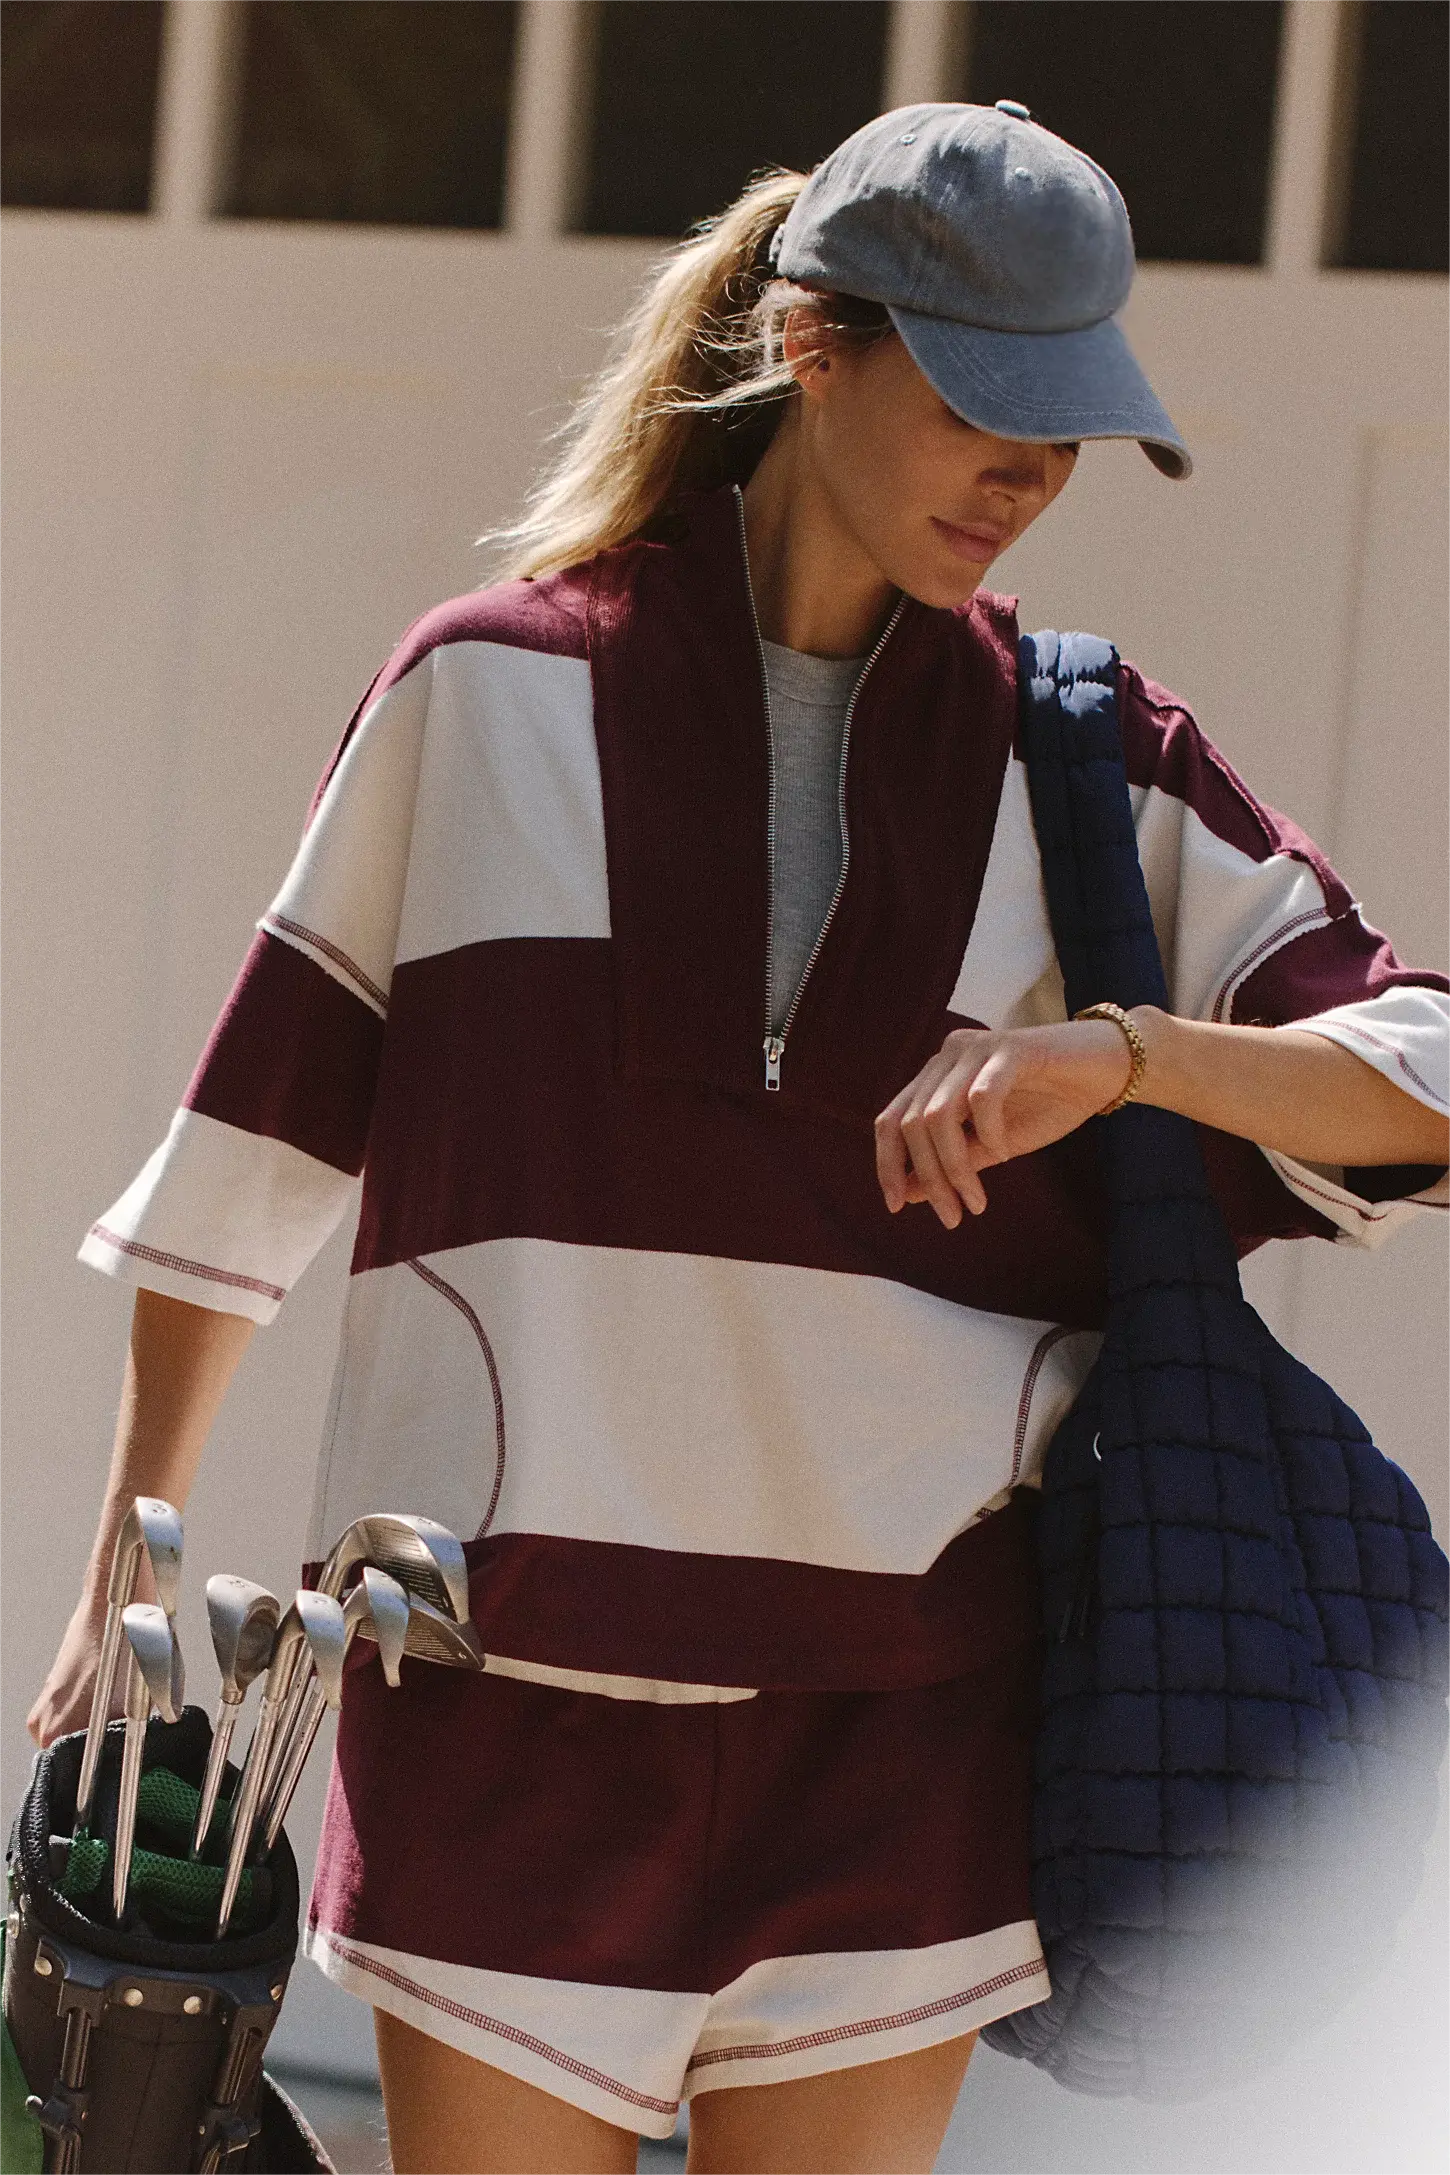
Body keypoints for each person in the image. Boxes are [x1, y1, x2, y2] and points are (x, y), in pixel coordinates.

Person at [30, 102, 1450, 2175]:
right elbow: (249, 1145)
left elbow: (1422, 1076)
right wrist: (121, 1566)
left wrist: (1130, 1055)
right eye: (981, 404)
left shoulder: (1092, 763)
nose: (1025, 474)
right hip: (504, 1726)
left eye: (1066, 427)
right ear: (810, 346)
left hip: (901, 1746)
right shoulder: (481, 696)